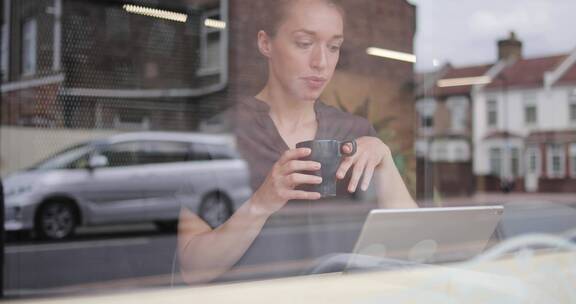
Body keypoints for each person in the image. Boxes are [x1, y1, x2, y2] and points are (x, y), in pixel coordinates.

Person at [177, 0, 417, 285]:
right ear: (266, 44)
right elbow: (193, 269)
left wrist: (384, 160)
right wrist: (260, 204)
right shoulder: (221, 136)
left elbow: (414, 246)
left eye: (333, 47)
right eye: (304, 43)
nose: (321, 62)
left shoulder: (355, 132)